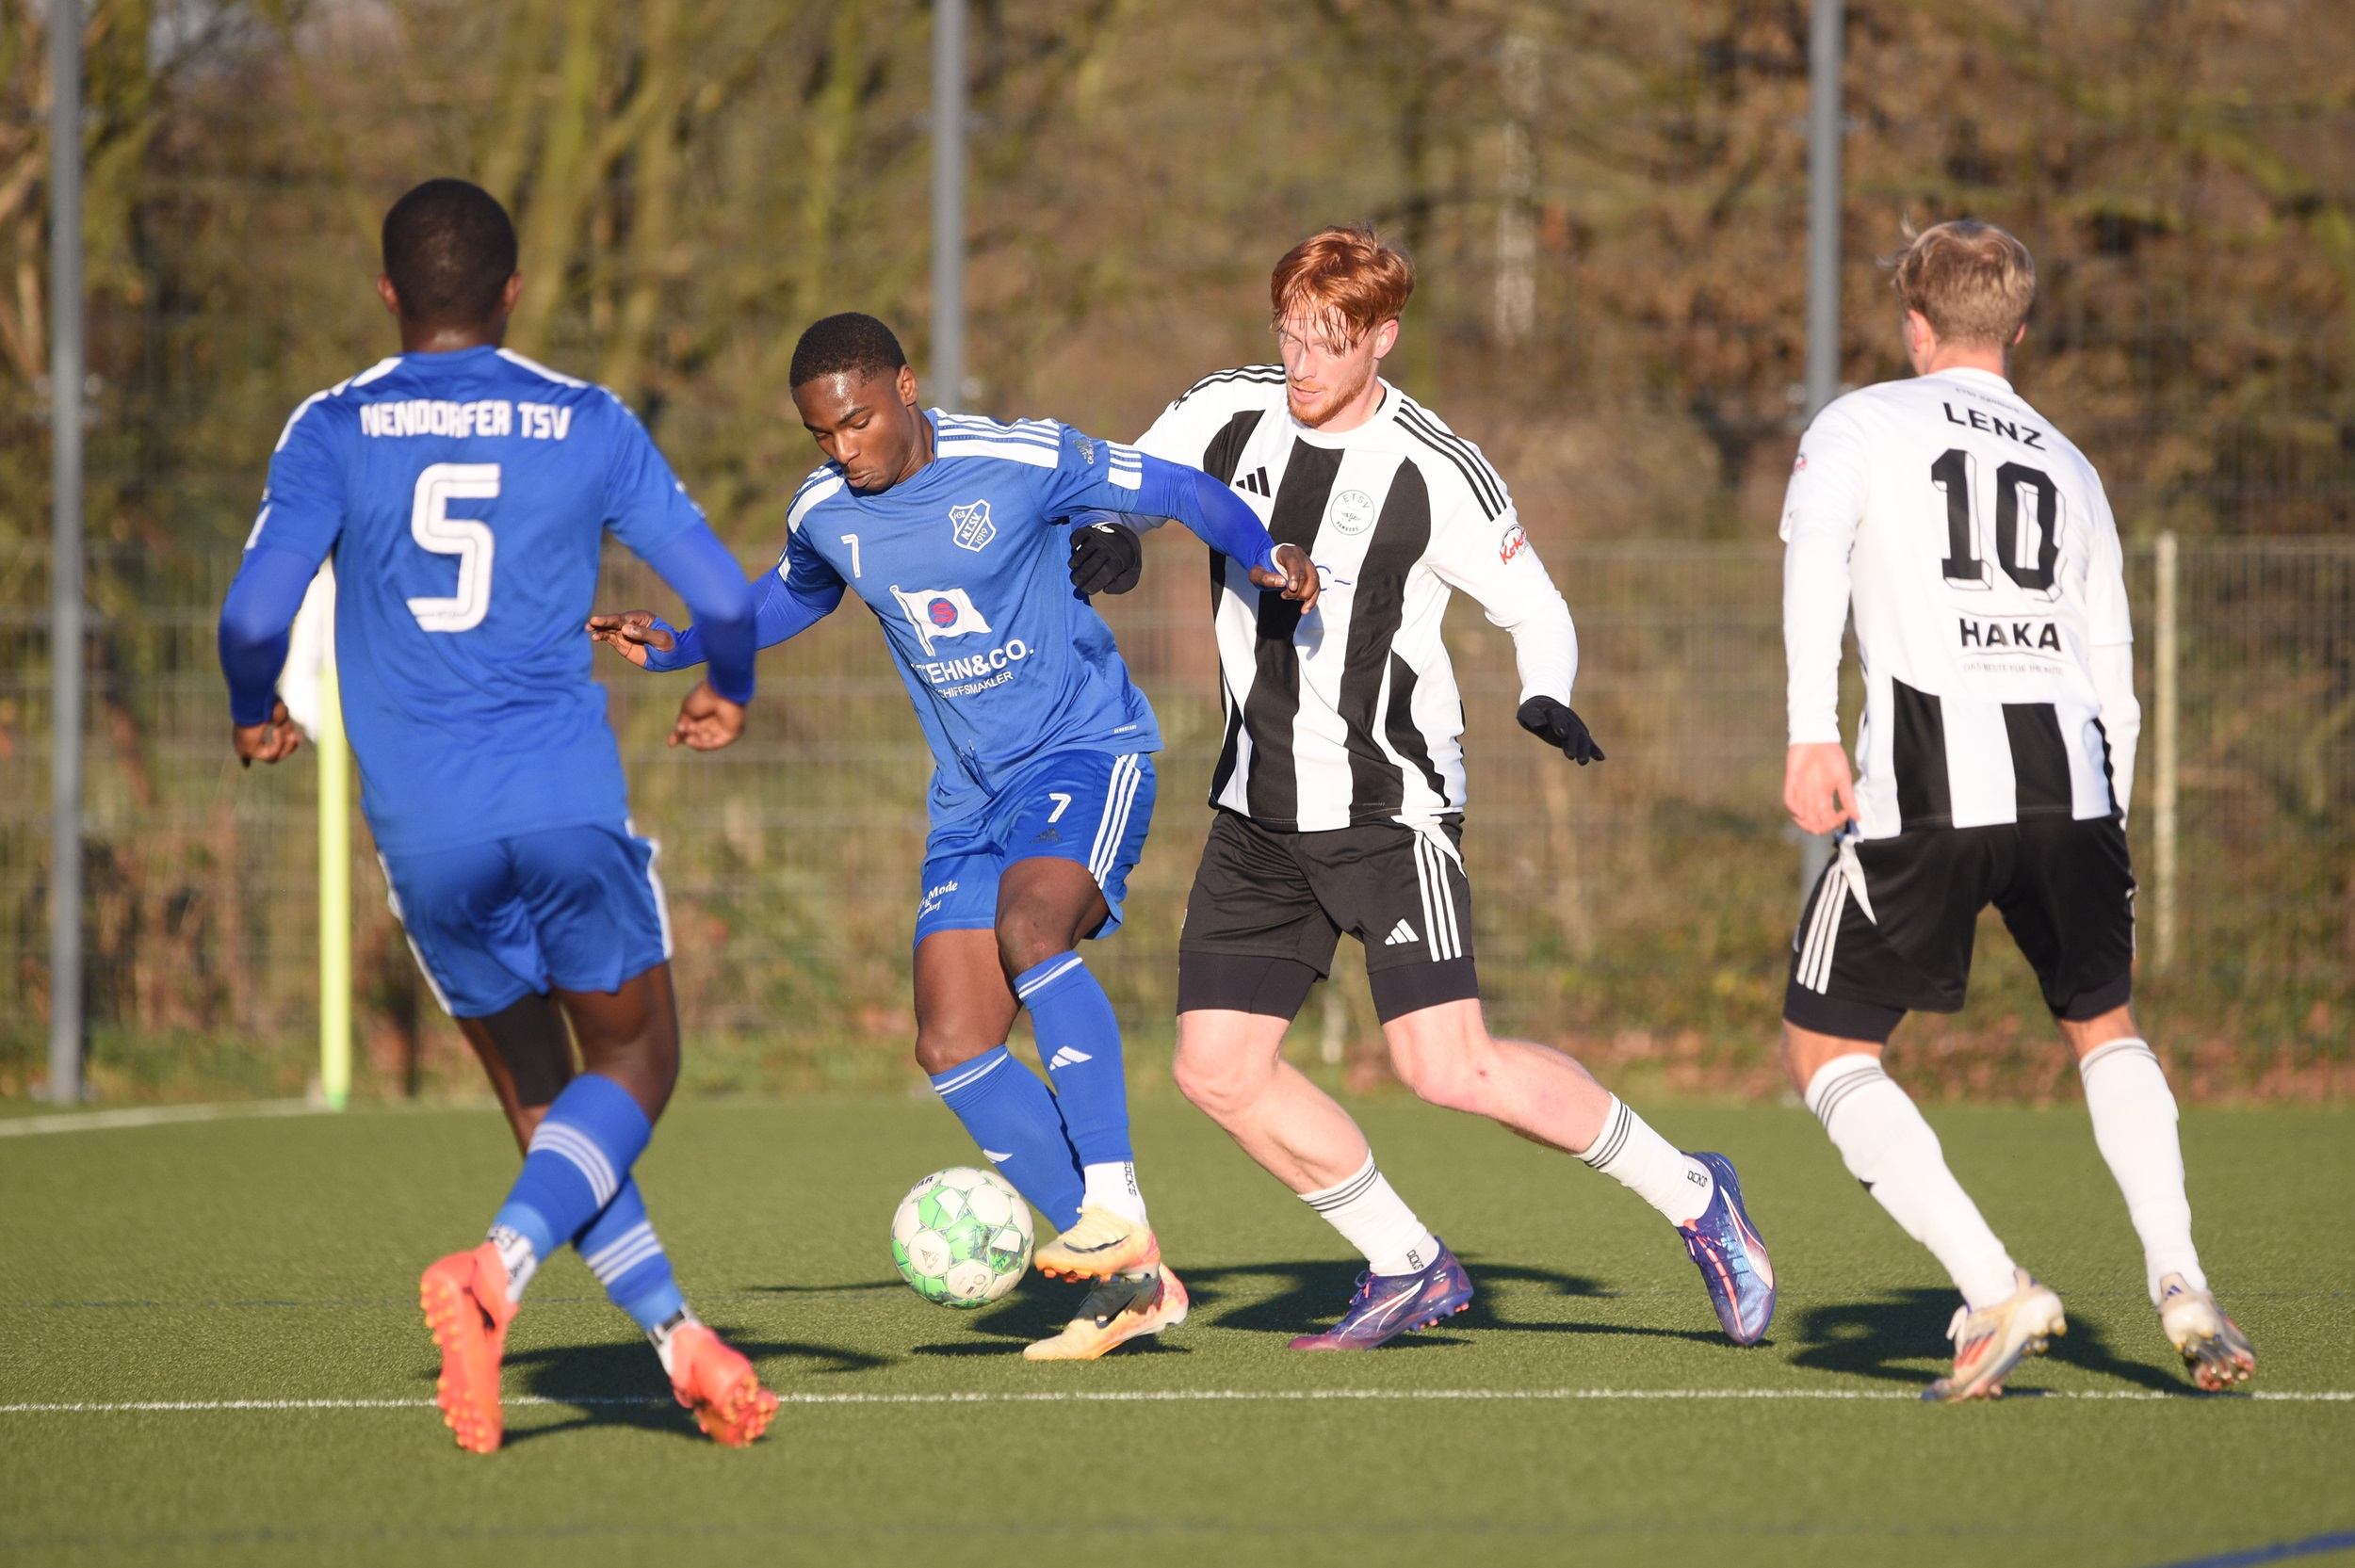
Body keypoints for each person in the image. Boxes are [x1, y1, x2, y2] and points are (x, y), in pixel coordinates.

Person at [589, 312, 1317, 1360]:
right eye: (820, 435)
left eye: (857, 422)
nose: (842, 450)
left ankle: (1110, 1198)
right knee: (952, 1042)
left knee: (1033, 930)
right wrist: (678, 647)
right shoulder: (825, 511)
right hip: (967, 799)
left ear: (906, 388)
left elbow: (1174, 489)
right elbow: (791, 597)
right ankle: (1132, 1278)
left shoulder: (1016, 459)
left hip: (1082, 750)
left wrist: (1262, 550)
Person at [1101, 224, 1777, 1350]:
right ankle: (1406, 1263)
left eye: (1328, 342)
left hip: (1387, 808)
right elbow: (1124, 479)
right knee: (1216, 1071)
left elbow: (1537, 609)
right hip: (1256, 812)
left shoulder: (1435, 468)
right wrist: (1114, 537)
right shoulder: (1225, 409)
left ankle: (1697, 1199)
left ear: (1381, 339)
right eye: (1288, 338)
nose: (1301, 364)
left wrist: (1545, 691)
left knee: (1447, 1065)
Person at [218, 178, 779, 1451]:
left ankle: (678, 1338)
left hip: (424, 827)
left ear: (387, 293)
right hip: (563, 801)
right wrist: (727, 690)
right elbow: (727, 605)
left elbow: (252, 618)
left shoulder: (335, 425)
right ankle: (498, 1270)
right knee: (635, 1065)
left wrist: (257, 707)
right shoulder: (584, 419)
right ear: (514, 291)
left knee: (543, 1093)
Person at [1778, 218, 2255, 1401]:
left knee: (1826, 1047)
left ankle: (1993, 1284)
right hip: (2074, 778)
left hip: (1932, 775)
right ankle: (2180, 1280)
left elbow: (1813, 567)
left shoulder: (1861, 421)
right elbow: (2114, 666)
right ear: (2020, 331)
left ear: (1913, 320)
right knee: (2105, 1025)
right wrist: (2113, 816)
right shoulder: (2071, 463)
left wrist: (1808, 727)